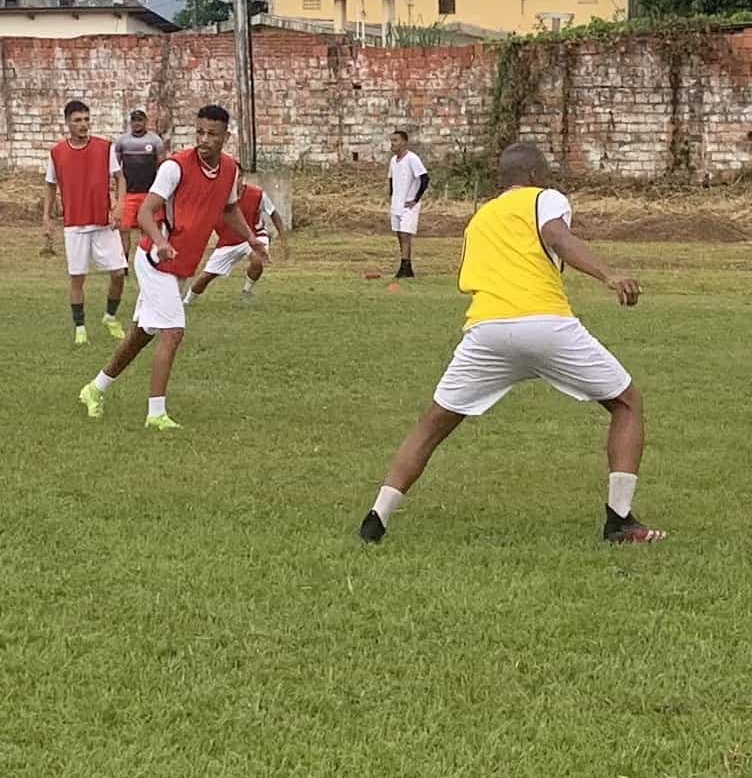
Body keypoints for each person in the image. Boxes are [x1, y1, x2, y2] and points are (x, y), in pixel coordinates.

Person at [358, 142, 666, 545]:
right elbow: (556, 236)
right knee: (626, 403)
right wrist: (608, 276)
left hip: (486, 330)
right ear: (535, 176)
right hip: (544, 324)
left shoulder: (480, 218)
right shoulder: (545, 198)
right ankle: (619, 521)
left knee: (432, 425)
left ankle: (376, 518)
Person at [78, 105, 268, 430]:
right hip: (155, 260)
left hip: (180, 264)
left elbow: (229, 209)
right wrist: (161, 241)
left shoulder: (228, 169)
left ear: (225, 136)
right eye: (200, 132)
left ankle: (95, 388)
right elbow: (144, 213)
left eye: (212, 134)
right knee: (174, 331)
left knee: (142, 333)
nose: (204, 139)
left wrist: (251, 239)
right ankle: (156, 414)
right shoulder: (174, 167)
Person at [43, 99, 126, 346]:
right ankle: (80, 328)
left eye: (86, 119)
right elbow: (50, 185)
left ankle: (110, 317)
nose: (83, 124)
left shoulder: (105, 147)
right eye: (78, 120)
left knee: (118, 274)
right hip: (74, 225)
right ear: (67, 123)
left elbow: (120, 178)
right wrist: (47, 216)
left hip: (103, 222)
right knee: (77, 278)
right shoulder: (57, 153)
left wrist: (120, 205)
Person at [183, 166, 289, 304]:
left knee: (257, 260)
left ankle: (246, 291)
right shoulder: (214, 197)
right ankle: (187, 302)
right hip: (228, 241)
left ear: (242, 178)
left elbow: (273, 213)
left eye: (236, 177)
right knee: (205, 277)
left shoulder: (257, 195)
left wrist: (283, 239)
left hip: (255, 235)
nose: (233, 181)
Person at [113, 108, 166, 258]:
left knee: (148, 228)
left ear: (145, 122)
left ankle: (146, 258)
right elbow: (116, 169)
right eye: (134, 121)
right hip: (128, 193)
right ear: (131, 122)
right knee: (124, 228)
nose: (137, 124)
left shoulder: (155, 140)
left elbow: (162, 167)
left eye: (140, 120)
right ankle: (124, 261)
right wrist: (117, 191)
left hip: (149, 194)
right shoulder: (122, 141)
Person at [387, 130, 428, 278]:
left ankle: (404, 266)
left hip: (409, 204)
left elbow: (424, 178)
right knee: (399, 233)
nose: (392, 144)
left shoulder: (412, 159)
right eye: (391, 141)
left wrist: (415, 199)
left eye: (395, 140)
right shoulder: (393, 161)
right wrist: (392, 196)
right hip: (397, 203)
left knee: (405, 233)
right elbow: (391, 179)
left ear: (404, 142)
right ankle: (407, 266)